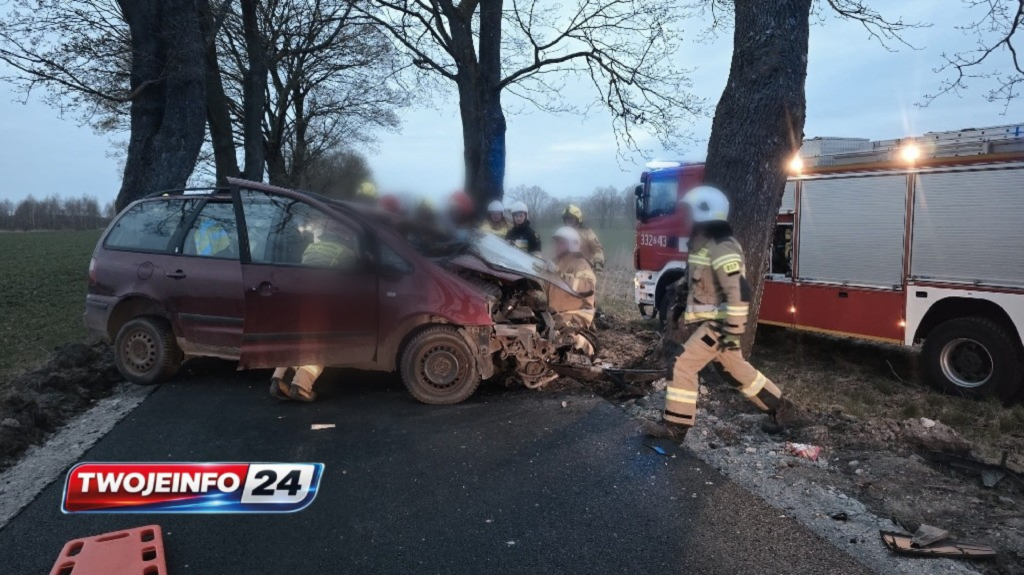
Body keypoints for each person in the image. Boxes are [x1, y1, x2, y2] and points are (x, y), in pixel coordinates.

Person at [643, 185, 799, 441]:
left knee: (682, 365)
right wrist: (679, 306)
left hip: (719, 324)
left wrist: (732, 330)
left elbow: (738, 291)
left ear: (706, 212)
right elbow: (694, 282)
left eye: (691, 212)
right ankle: (781, 407)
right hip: (714, 323)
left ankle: (675, 426)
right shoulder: (703, 246)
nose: (686, 217)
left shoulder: (723, 247)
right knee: (736, 370)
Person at [269, 219, 355, 403]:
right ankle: (301, 387)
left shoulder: (311, 249)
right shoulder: (347, 253)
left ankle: (279, 377)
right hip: (320, 302)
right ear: (344, 237)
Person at [547, 227, 597, 355]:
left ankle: (585, 348)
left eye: (561, 242)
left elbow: (587, 287)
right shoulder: (555, 262)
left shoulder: (581, 264)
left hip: (576, 315)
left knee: (562, 341)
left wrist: (560, 276)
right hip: (556, 314)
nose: (557, 246)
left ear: (573, 244)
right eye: (557, 242)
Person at [561, 204, 605, 272]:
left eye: (571, 218)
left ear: (578, 219)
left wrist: (598, 264)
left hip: (584, 270)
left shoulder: (588, 233)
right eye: (566, 218)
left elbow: (597, 249)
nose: (568, 220)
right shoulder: (563, 234)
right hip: (565, 269)